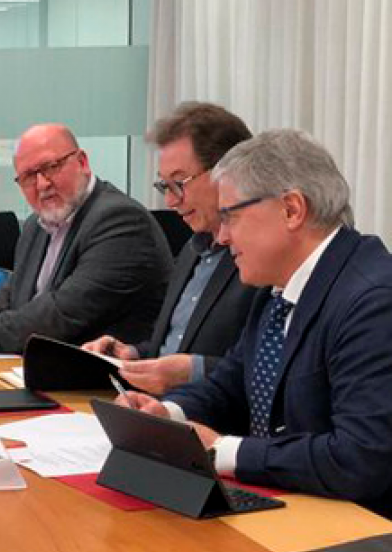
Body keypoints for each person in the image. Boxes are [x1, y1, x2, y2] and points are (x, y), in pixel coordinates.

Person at [116, 129, 392, 517]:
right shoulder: (276, 289)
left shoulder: (373, 300)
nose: (222, 236)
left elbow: (360, 457)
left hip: (355, 532)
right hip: (290, 508)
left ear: (292, 210)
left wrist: (225, 452)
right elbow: (229, 386)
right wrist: (168, 415)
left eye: (230, 216)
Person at [0, 123, 172, 353]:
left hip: (102, 374)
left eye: (51, 167)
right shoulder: (37, 224)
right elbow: (13, 296)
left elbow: (62, 314)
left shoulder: (120, 220)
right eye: (28, 177)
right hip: (41, 365)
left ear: (82, 162)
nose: (42, 184)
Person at [83, 102, 260, 394]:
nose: (170, 201)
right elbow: (175, 344)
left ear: (227, 174)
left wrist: (192, 371)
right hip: (153, 403)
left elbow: (264, 369)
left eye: (179, 183)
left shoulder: (260, 258)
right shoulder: (192, 249)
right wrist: (134, 353)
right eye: (164, 186)